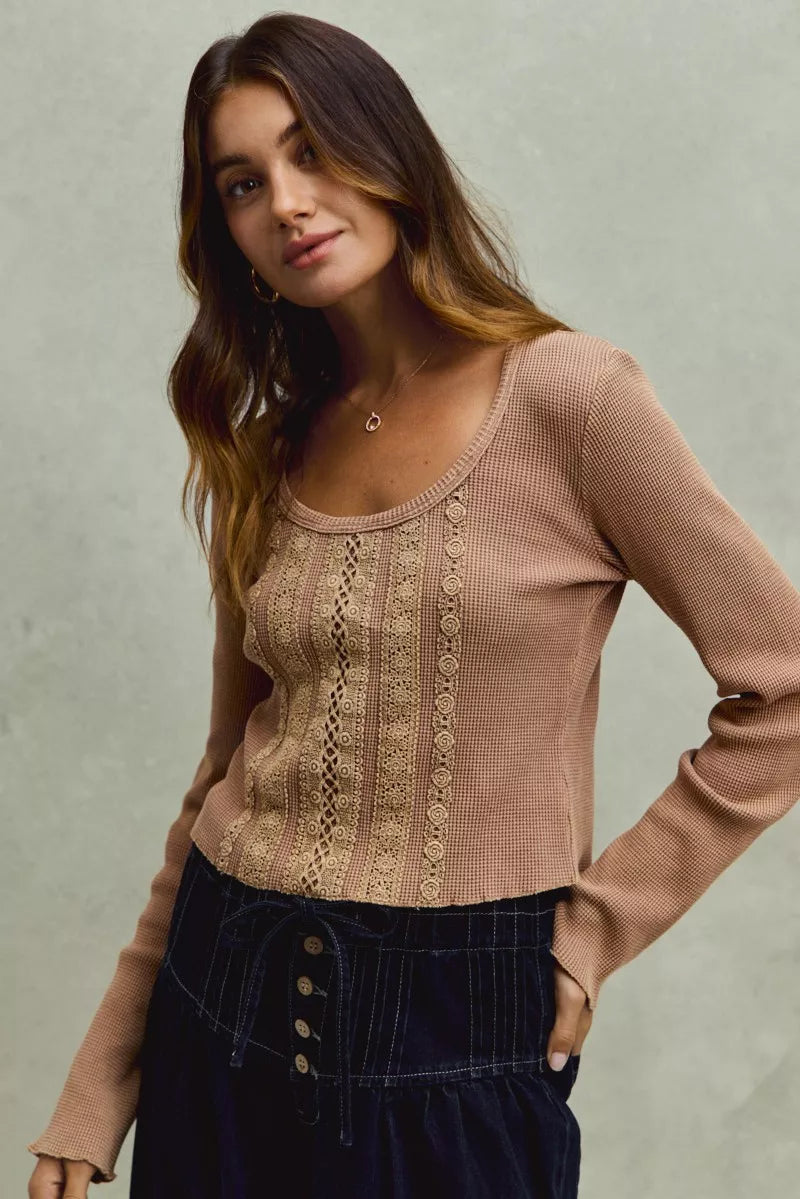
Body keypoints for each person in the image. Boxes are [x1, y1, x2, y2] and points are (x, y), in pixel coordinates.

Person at [26, 12, 800, 1199]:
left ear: (390, 154)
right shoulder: (269, 451)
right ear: (227, 234)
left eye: (311, 150)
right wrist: (98, 1087)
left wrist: (591, 934)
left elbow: (780, 689)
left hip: (458, 1034)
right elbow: (226, 772)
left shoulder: (571, 399)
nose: (287, 202)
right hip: (211, 1013)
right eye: (243, 182)